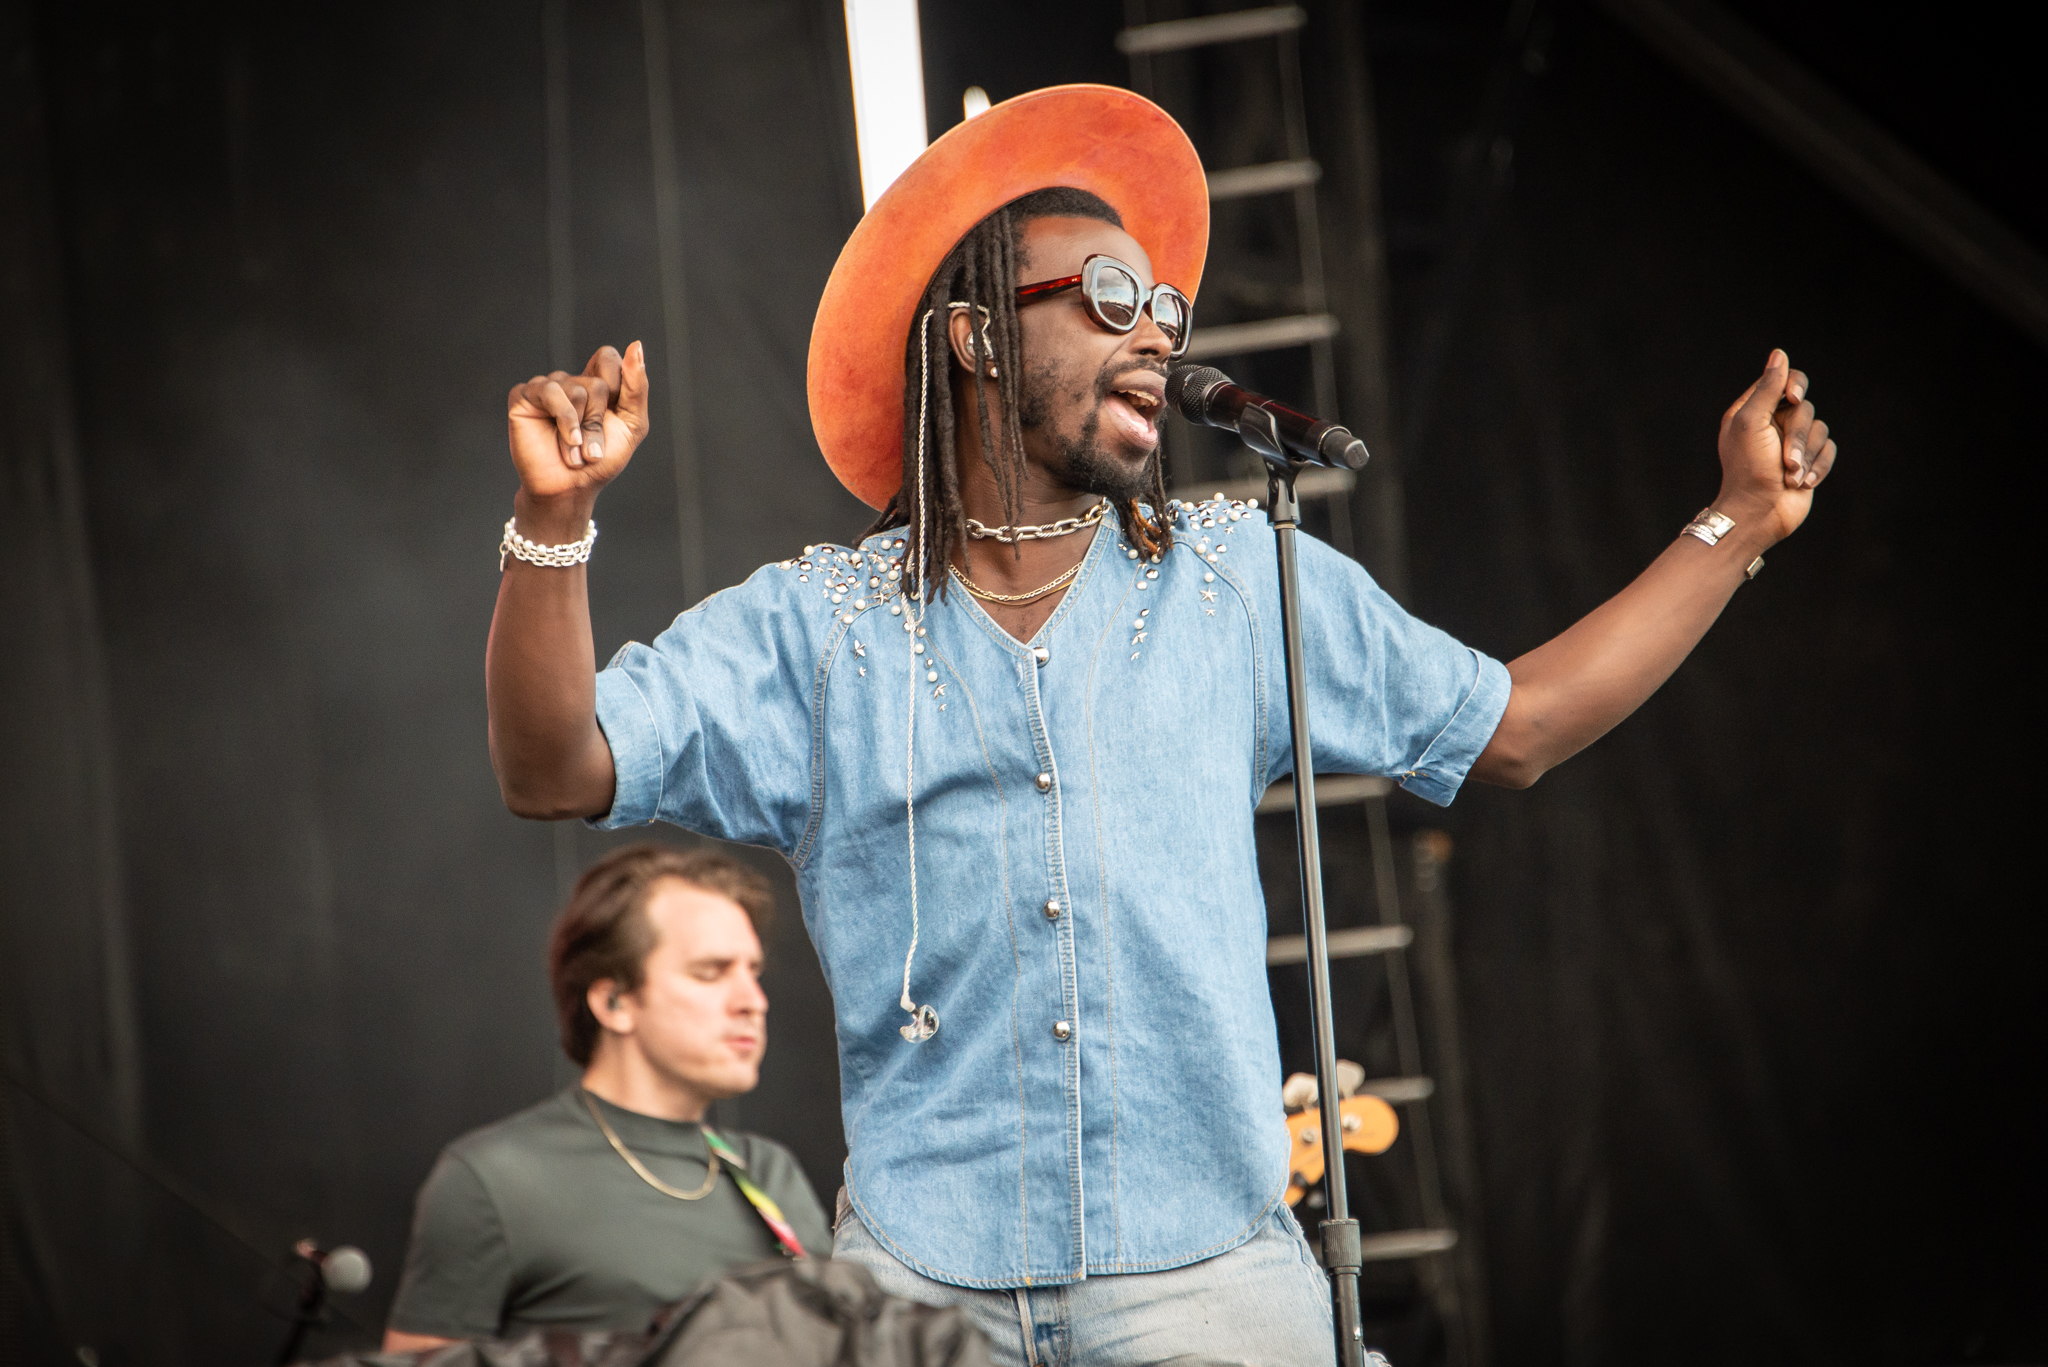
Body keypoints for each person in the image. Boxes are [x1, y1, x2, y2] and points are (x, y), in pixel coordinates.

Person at [480, 86, 1837, 1367]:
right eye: (1111, 299)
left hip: (1211, 1279)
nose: (1157, 338)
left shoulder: (1235, 575)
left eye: (1169, 310)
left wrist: (1735, 524)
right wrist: (553, 520)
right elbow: (553, 766)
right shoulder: (812, 626)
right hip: (917, 1285)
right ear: (977, 336)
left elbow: (1519, 723)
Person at [381, 843, 831, 1351]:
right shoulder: (495, 1180)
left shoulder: (769, 1174)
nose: (753, 1001)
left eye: (754, 972)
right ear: (615, 1002)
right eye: (711, 971)